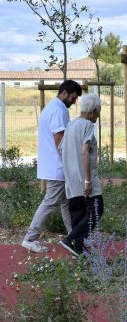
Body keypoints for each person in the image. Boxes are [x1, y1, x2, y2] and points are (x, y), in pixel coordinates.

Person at [22, 80, 82, 253]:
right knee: (51, 202)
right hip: (58, 166)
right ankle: (30, 238)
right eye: (72, 97)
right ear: (64, 93)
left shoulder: (54, 107)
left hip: (55, 165)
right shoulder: (57, 110)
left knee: (65, 203)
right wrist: (70, 162)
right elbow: (59, 139)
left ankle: (74, 237)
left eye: (76, 98)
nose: (74, 101)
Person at [59, 93, 103, 256]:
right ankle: (71, 239)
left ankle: (77, 247)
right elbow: (85, 152)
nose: (97, 116)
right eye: (98, 113)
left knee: (77, 211)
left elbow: (62, 149)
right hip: (85, 176)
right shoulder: (88, 126)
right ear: (92, 111)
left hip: (70, 177)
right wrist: (88, 180)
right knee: (97, 208)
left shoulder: (71, 125)